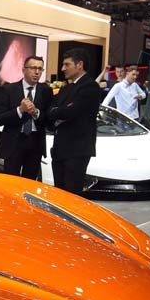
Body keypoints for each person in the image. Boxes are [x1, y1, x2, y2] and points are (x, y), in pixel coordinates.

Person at [47, 48, 99, 194]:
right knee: (59, 192)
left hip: (77, 149)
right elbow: (52, 110)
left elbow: (72, 111)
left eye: (67, 64)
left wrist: (58, 111)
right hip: (60, 148)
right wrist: (58, 112)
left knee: (72, 193)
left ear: (79, 64)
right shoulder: (67, 88)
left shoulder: (90, 86)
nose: (63, 68)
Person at [0, 55, 53, 180]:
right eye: (33, 68)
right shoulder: (8, 90)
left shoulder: (46, 91)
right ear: (24, 69)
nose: (37, 72)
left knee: (30, 182)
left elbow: (49, 120)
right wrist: (20, 110)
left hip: (35, 142)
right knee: (11, 181)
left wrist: (36, 113)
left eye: (40, 69)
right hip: (14, 142)